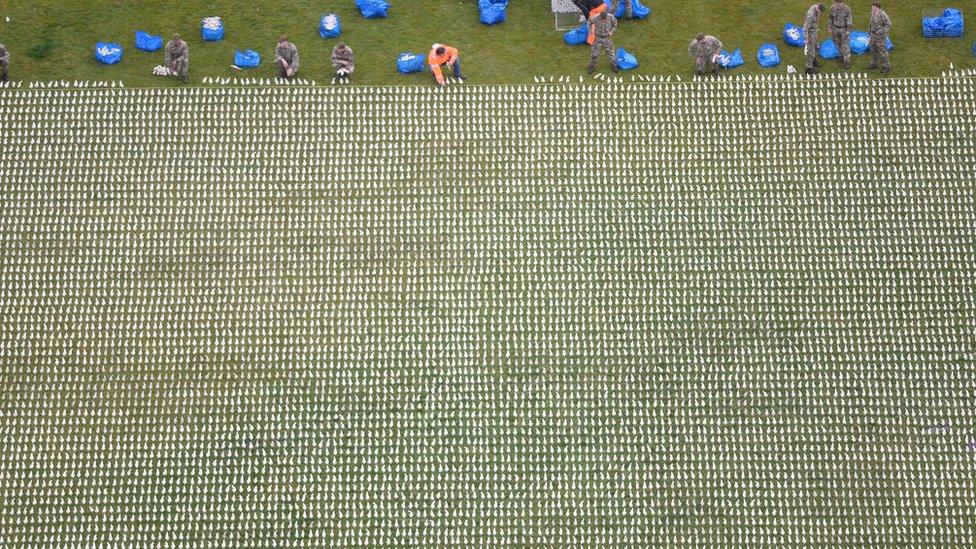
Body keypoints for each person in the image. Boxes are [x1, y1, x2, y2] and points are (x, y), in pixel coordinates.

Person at [867, 2, 892, 73]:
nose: (872, 8)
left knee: (882, 51)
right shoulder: (872, 13)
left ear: (877, 7)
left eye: (873, 6)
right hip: (872, 35)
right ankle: (874, 64)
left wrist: (880, 31)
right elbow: (871, 23)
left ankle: (886, 66)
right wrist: (869, 32)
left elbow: (889, 24)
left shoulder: (882, 14)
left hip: (880, 36)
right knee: (872, 49)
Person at [828, 0, 853, 69]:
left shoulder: (847, 9)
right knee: (837, 42)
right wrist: (830, 27)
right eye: (837, 3)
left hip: (844, 29)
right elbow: (830, 18)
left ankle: (847, 61)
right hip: (835, 28)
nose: (838, 5)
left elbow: (849, 21)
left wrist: (848, 30)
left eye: (840, 3)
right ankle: (841, 55)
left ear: (842, 3)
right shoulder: (832, 8)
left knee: (845, 44)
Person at [803, 4, 825, 74]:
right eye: (819, 11)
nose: (820, 13)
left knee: (816, 47)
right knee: (810, 51)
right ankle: (808, 68)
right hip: (810, 34)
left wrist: (815, 28)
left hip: (814, 32)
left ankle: (814, 61)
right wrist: (807, 38)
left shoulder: (815, 8)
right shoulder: (810, 15)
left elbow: (815, 21)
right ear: (817, 8)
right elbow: (805, 28)